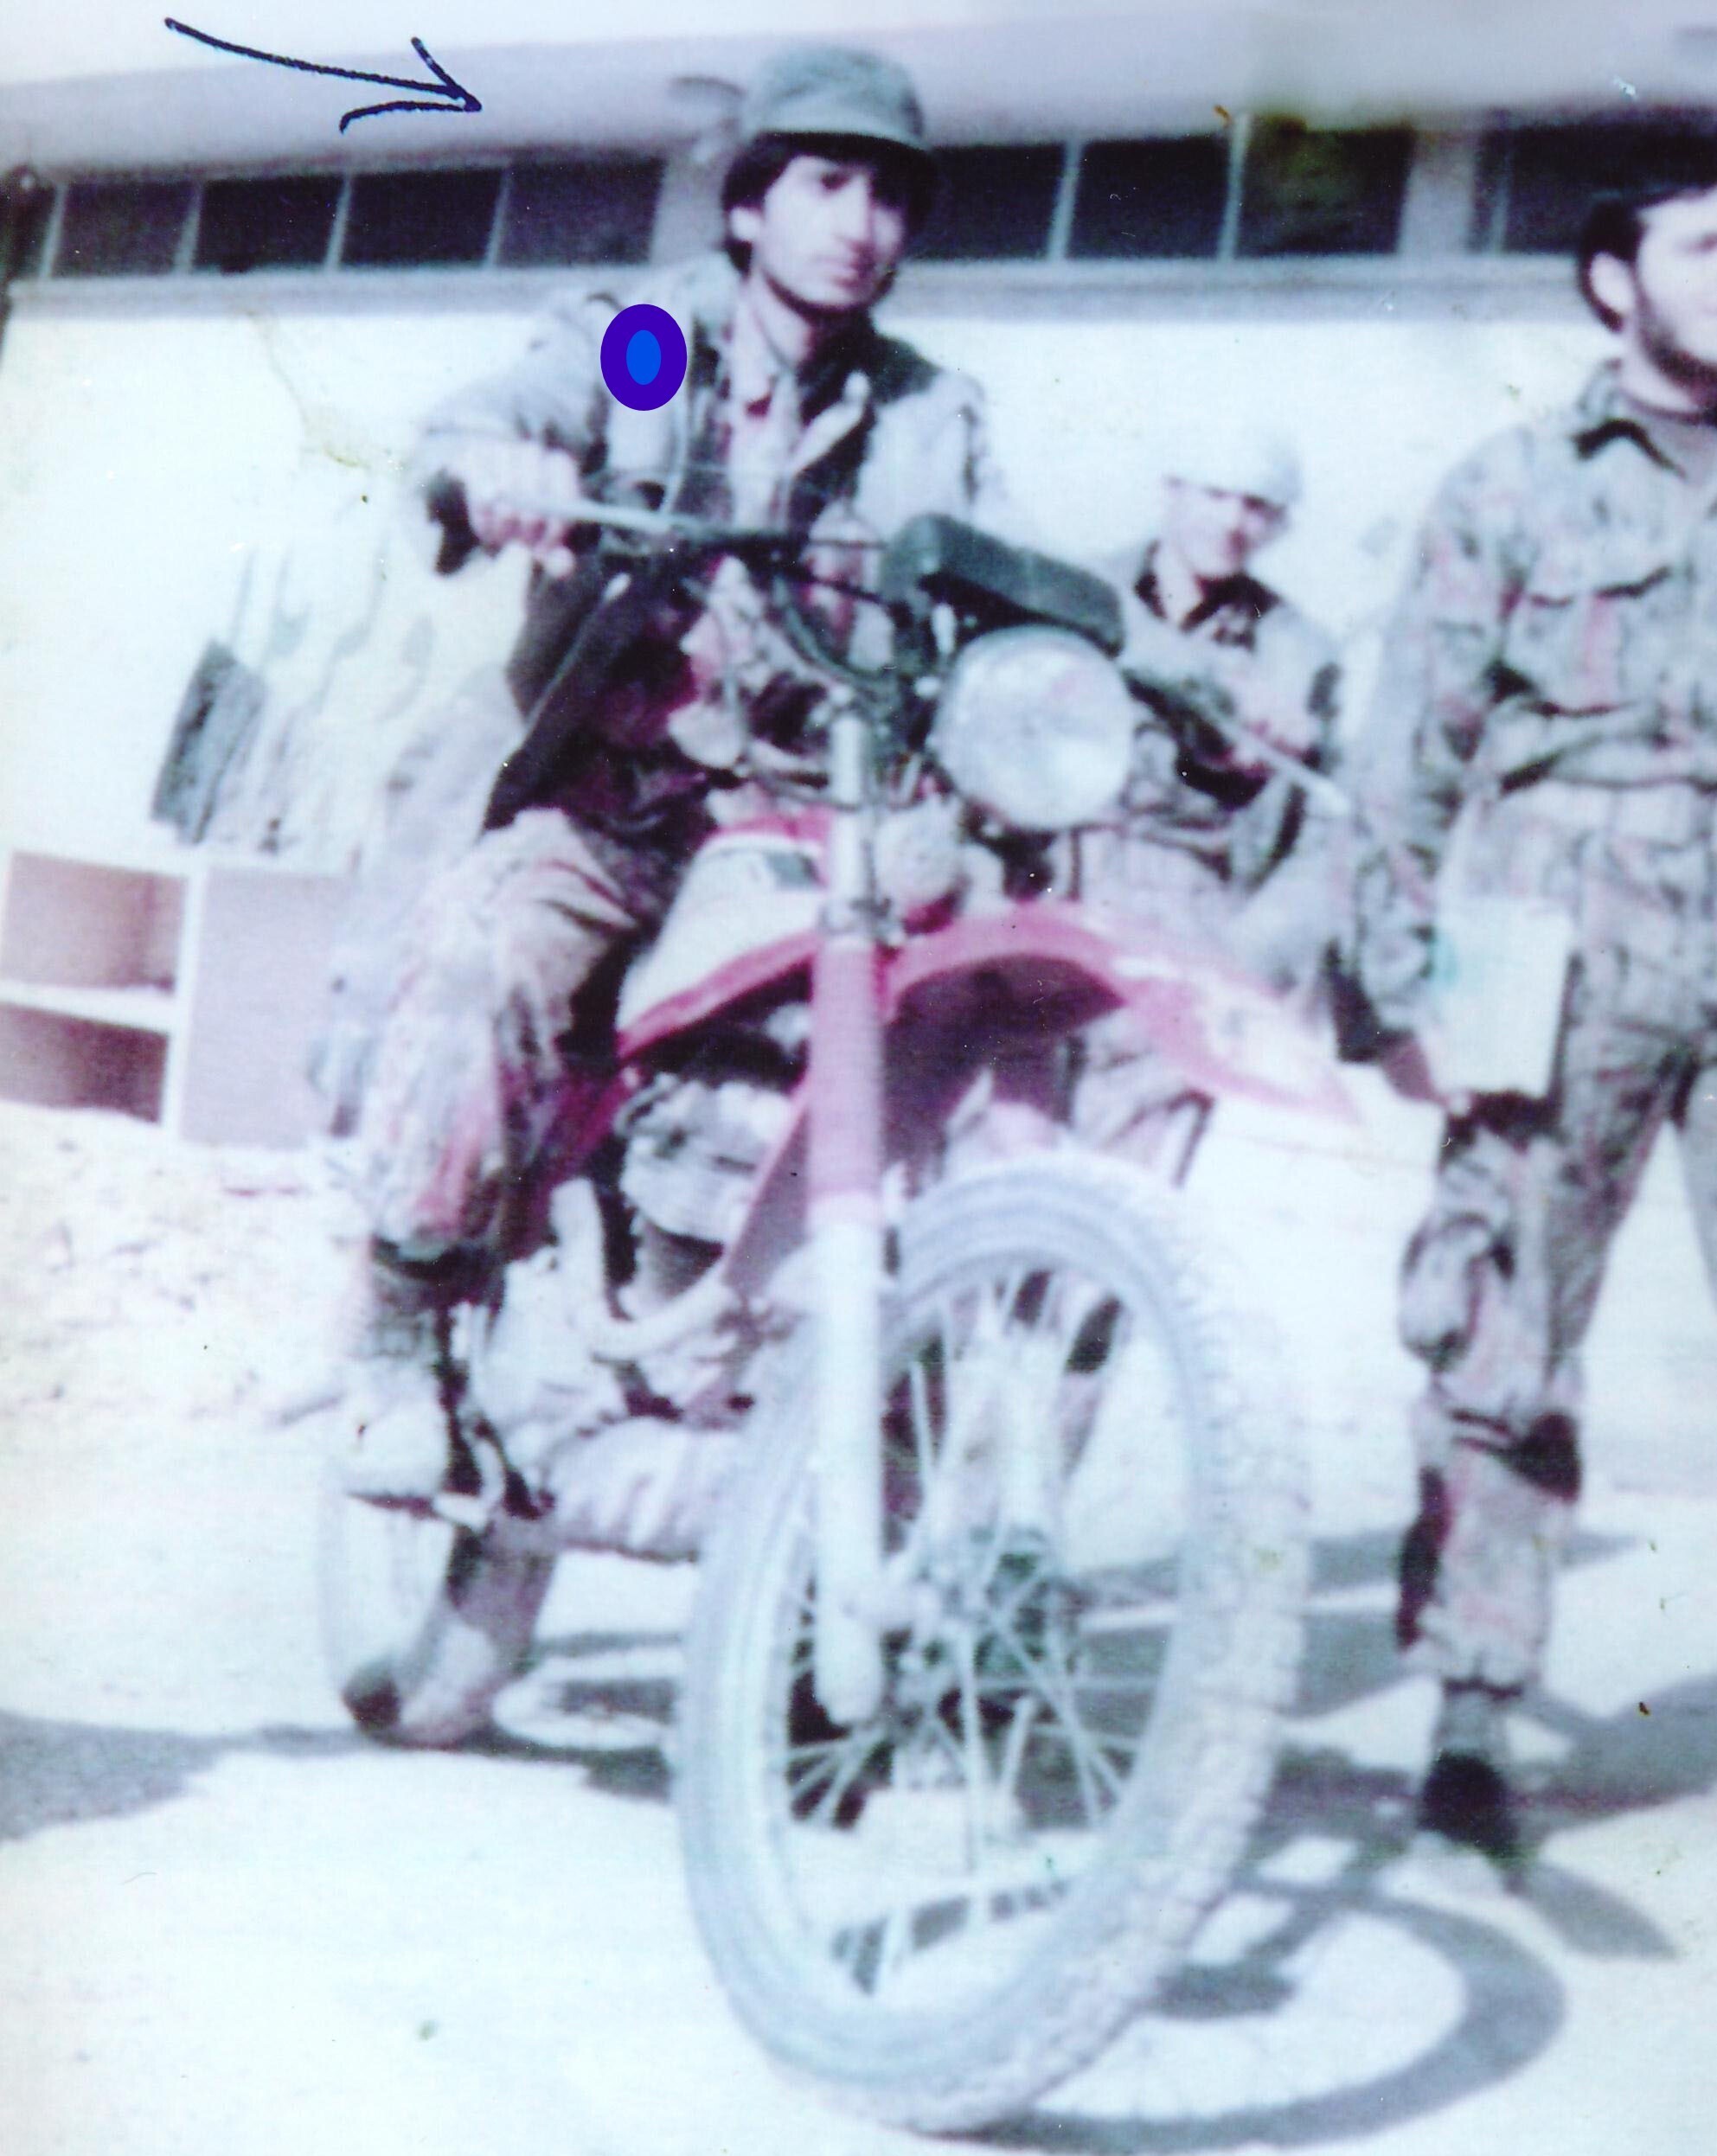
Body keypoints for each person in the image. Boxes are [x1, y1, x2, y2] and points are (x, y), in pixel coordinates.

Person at [339, 44, 1012, 1497]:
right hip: (613, 808)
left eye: (890, 197)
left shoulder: (923, 413)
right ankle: (401, 1321)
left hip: (802, 826)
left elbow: (987, 577)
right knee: (487, 965)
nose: (860, 224)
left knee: (973, 991)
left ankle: (885, 1372)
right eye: (825, 184)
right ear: (752, 205)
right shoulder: (654, 342)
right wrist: (500, 467)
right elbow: (513, 409)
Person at [1349, 130, 1717, 1863]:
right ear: (1610, 281)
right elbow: (1407, 751)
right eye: (1708, 247)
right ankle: (1472, 1713)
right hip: (1555, 935)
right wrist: (1393, 983)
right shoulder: (1507, 486)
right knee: (1507, 1325)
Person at [1072, 424, 1342, 1164]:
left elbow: (1327, 838)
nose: (1231, 522)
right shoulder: (1076, 596)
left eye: (1257, 506)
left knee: (1128, 1176)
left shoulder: (1300, 655)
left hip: (1187, 923)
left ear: (1280, 523)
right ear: (1171, 491)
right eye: (1214, 494)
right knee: (986, 1151)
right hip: (1048, 879)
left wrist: (1243, 961)